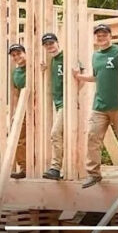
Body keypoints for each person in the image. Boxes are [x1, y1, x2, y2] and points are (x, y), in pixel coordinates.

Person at [73, 23, 118, 189]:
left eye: (104, 34)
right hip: (99, 105)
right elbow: (96, 77)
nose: (101, 37)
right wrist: (79, 76)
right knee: (93, 138)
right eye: (98, 35)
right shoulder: (96, 55)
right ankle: (93, 174)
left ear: (110, 35)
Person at [41, 32, 65, 180]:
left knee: (55, 133)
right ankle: (61, 168)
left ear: (57, 43)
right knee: (61, 135)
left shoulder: (66, 57)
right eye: (47, 45)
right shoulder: (52, 61)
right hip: (57, 102)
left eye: (52, 43)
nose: (50, 46)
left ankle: (55, 168)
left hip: (66, 103)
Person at [8, 43, 28, 179]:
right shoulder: (15, 72)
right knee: (20, 139)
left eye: (19, 53)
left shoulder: (32, 67)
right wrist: (15, 111)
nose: (17, 57)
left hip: (39, 108)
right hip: (23, 108)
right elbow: (15, 93)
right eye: (14, 55)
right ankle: (24, 168)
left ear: (25, 53)